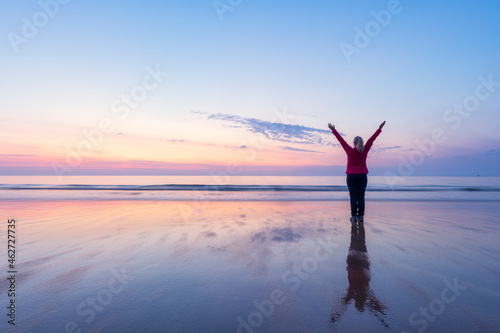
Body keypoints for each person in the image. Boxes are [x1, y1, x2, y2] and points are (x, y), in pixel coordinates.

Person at [328, 121, 385, 227]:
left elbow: (341, 141)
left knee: (353, 197)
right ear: (362, 143)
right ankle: (361, 217)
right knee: (361, 197)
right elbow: (372, 139)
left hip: (351, 177)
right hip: (362, 176)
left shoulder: (350, 151)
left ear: (354, 143)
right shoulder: (365, 149)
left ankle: (354, 217)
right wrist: (379, 128)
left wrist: (333, 130)